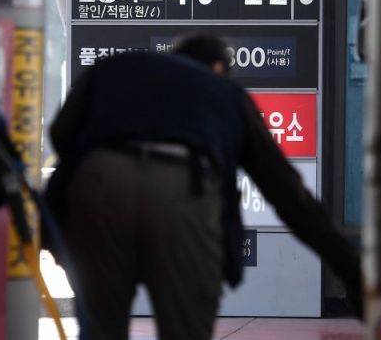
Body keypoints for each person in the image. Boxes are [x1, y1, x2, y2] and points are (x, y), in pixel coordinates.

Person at [42, 34, 362, 340]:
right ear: (218, 67)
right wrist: (350, 268)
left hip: (100, 181)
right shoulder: (224, 92)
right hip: (182, 188)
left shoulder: (116, 66)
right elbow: (287, 193)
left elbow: (60, 134)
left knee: (101, 331)